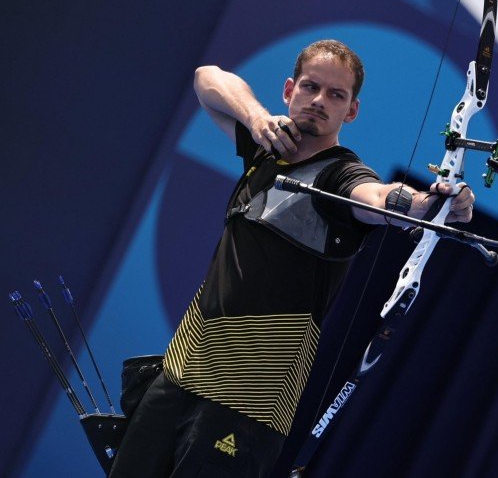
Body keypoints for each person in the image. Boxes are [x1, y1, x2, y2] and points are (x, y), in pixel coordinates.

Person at [108, 39, 475, 477]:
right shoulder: (266, 145)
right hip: (181, 373)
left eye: (336, 95)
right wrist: (257, 118)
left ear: (351, 111)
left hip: (249, 405)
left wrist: (429, 204)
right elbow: (207, 77)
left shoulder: (341, 175)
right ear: (289, 90)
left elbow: (379, 198)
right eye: (310, 87)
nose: (319, 101)